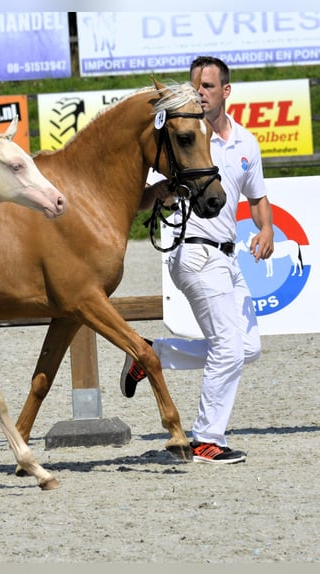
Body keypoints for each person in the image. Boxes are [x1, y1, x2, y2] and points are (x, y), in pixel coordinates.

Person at [121, 56, 275, 464]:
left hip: (229, 255)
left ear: (226, 91)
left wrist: (266, 229)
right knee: (228, 346)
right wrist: (162, 193)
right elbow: (138, 200)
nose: (200, 93)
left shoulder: (245, 143)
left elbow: (258, 199)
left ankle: (150, 353)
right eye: (195, 86)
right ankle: (206, 438)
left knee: (247, 347)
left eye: (207, 86)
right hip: (192, 249)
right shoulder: (180, 136)